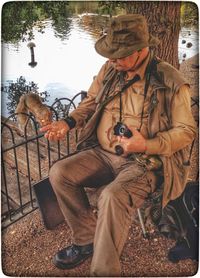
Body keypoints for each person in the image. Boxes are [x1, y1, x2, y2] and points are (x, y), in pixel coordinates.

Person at [40, 14, 196, 276]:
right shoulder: (111, 69)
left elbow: (186, 131)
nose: (111, 60)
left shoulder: (170, 80)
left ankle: (103, 271)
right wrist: (68, 122)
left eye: (118, 55)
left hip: (143, 164)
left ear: (140, 50)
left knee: (112, 196)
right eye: (110, 54)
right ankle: (86, 240)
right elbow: (90, 101)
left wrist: (145, 144)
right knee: (60, 173)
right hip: (102, 154)